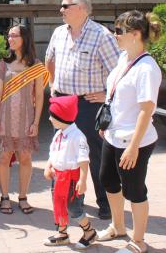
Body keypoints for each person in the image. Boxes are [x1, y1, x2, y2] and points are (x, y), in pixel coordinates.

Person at [45, 0, 120, 220]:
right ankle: (70, 201)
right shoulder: (59, 33)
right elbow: (49, 60)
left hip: (88, 104)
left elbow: (120, 71)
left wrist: (107, 93)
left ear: (81, 8)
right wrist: (53, 88)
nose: (61, 10)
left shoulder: (101, 35)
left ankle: (106, 204)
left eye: (65, 6)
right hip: (62, 102)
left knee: (95, 154)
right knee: (64, 153)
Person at [96, 11, 162, 253]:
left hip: (134, 140)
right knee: (108, 180)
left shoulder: (147, 68)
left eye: (119, 31)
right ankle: (118, 226)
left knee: (134, 190)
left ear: (135, 35)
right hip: (113, 134)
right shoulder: (124, 58)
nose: (115, 36)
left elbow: (146, 110)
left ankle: (139, 240)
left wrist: (133, 147)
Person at [0, 24, 48, 215]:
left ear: (25, 38)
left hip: (26, 119)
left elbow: (39, 96)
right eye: (9, 36)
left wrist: (36, 123)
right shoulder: (3, 64)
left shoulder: (36, 66)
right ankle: (5, 197)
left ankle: (23, 197)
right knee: (4, 157)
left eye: (14, 35)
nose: (10, 39)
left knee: (25, 157)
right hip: (5, 118)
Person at [43, 95, 97, 249]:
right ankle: (62, 234)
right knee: (58, 203)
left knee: (73, 208)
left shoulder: (78, 137)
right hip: (58, 177)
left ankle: (89, 231)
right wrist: (48, 166)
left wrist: (83, 179)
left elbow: (83, 160)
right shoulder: (58, 134)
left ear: (63, 117)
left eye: (53, 116)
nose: (49, 119)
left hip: (72, 179)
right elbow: (52, 153)